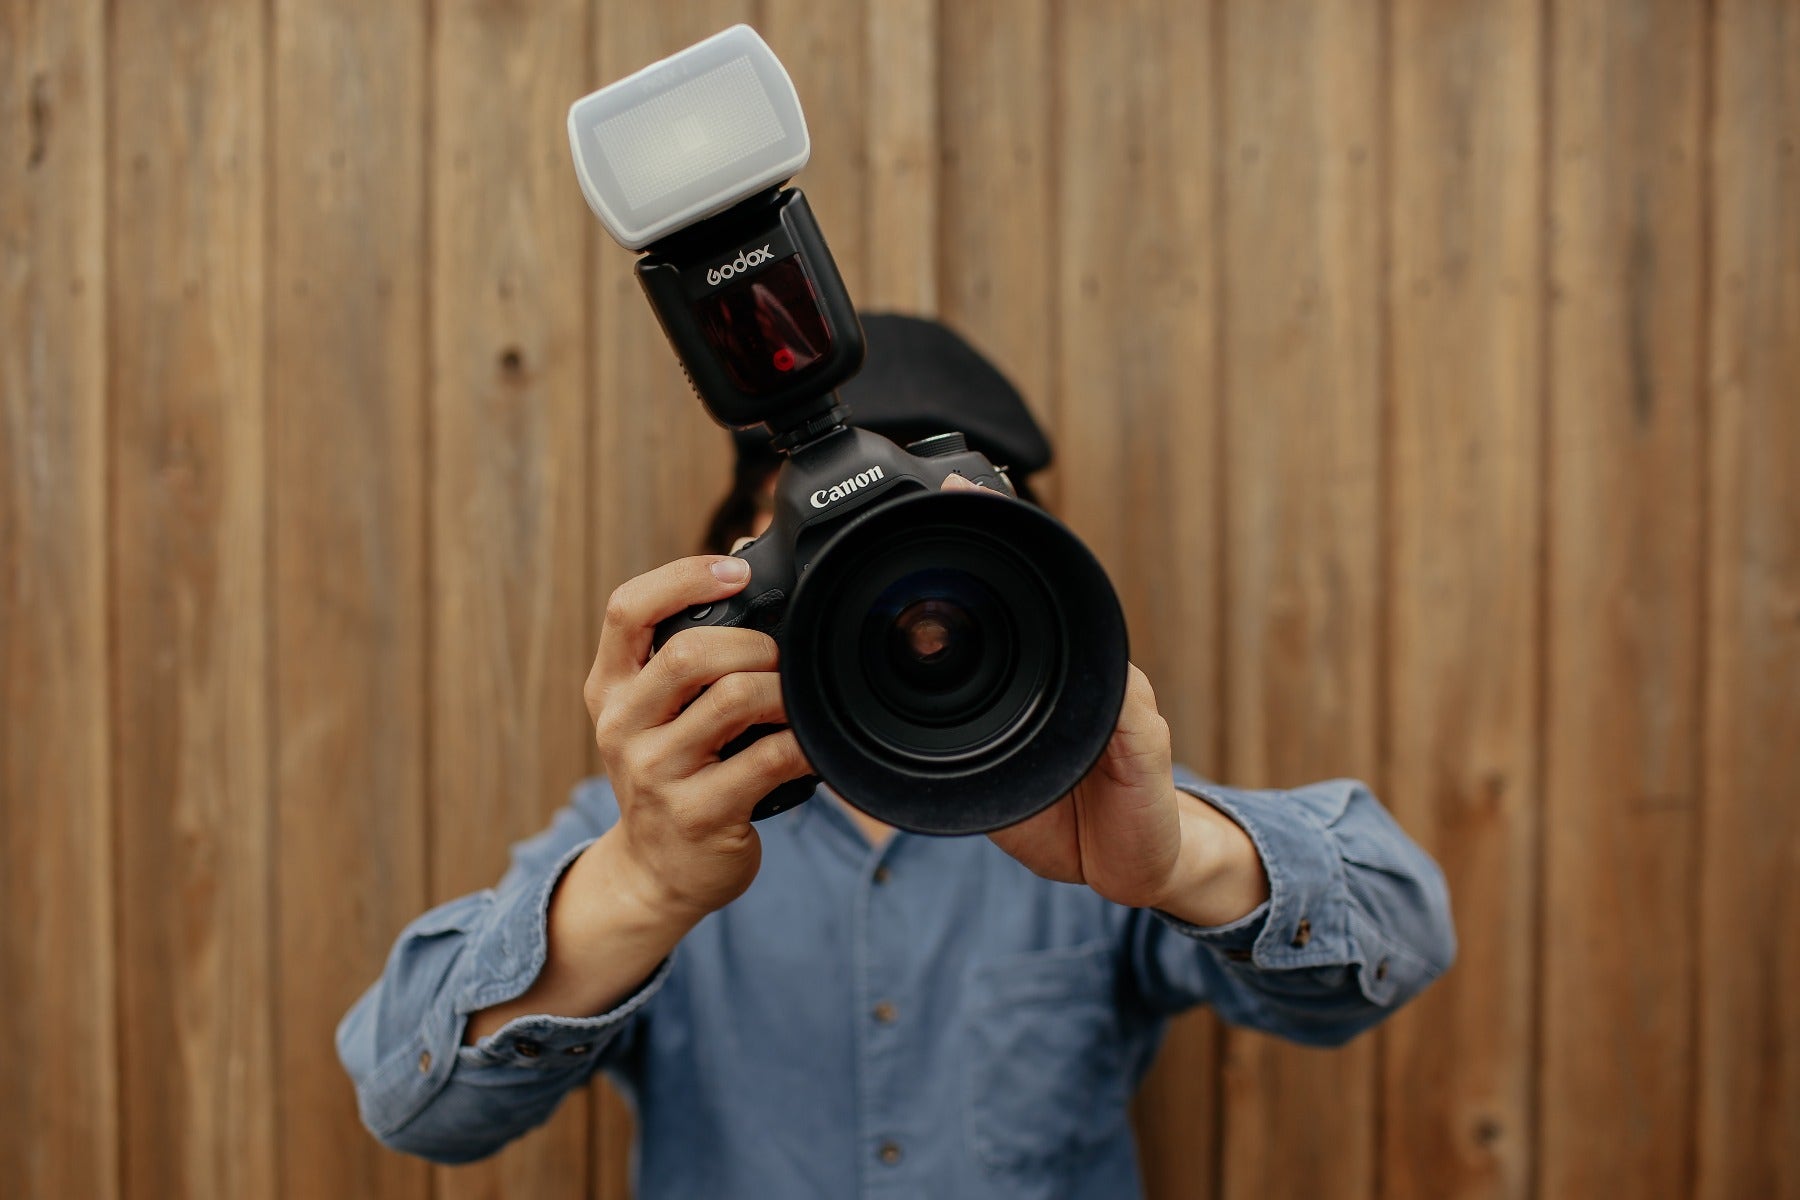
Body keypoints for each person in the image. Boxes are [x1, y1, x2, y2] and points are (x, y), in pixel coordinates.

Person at [337, 314, 1457, 1197]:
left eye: (931, 555)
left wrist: (1181, 865)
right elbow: (408, 1098)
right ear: (736, 579)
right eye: (830, 560)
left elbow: (1405, 932)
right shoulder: (655, 829)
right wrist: (637, 886)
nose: (906, 618)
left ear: (1033, 579)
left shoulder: (1099, 812)